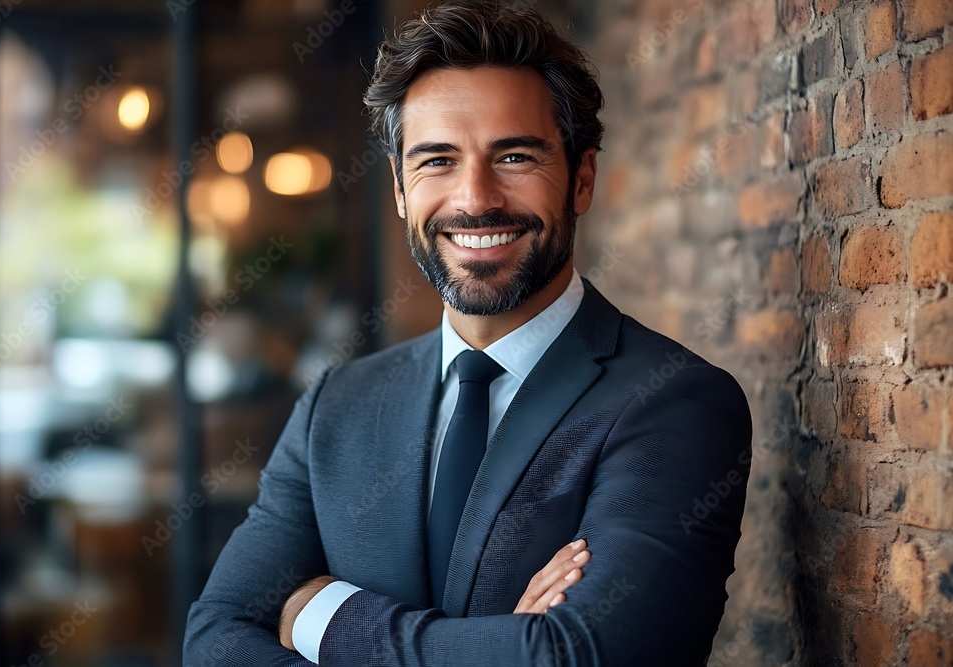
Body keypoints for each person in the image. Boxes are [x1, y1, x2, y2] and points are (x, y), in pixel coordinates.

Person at [184, 1, 752, 665]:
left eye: (513, 156)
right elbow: (215, 640)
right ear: (399, 189)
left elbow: (582, 655)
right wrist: (503, 646)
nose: (475, 198)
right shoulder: (336, 405)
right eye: (437, 161)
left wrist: (321, 614)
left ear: (583, 179)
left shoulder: (675, 403)